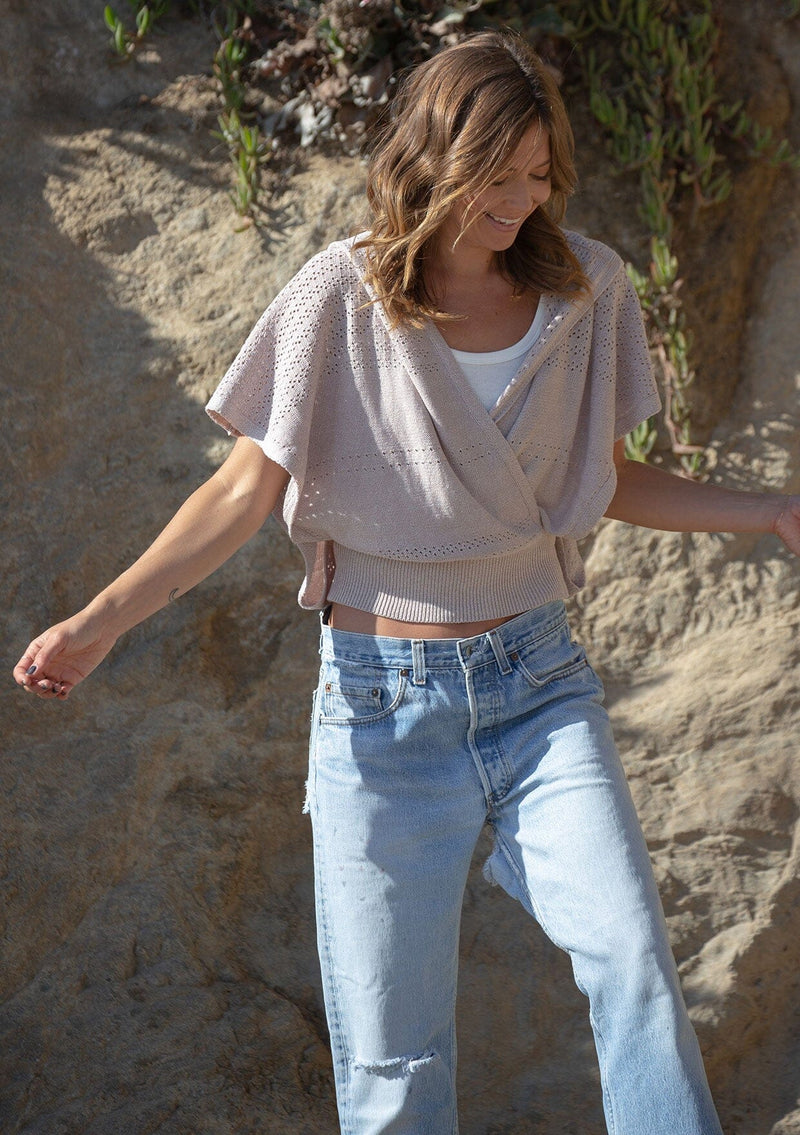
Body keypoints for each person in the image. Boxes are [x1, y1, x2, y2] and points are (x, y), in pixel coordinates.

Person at [13, 28, 800, 1135]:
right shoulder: (338, 297)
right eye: (499, 174)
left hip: (538, 686)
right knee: (392, 1063)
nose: (523, 200)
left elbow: (604, 479)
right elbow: (239, 495)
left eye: (539, 175)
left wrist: (765, 510)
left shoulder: (587, 293)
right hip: (378, 709)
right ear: (433, 154)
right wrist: (100, 622)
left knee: (632, 960)